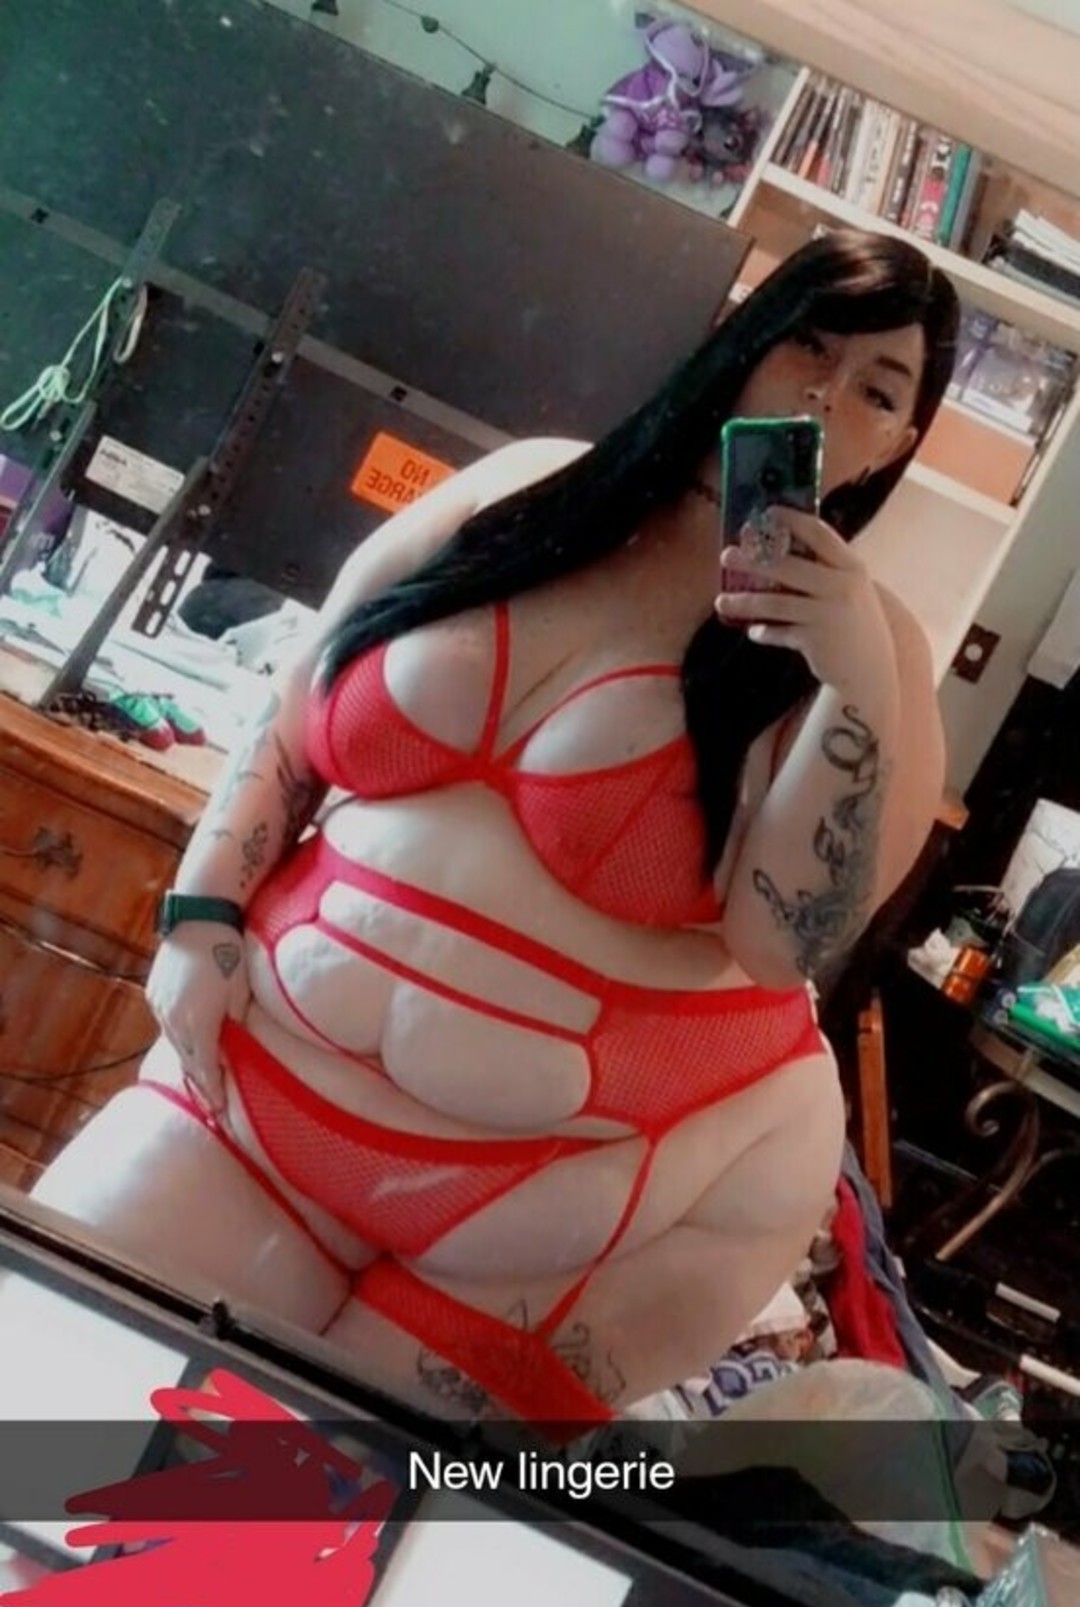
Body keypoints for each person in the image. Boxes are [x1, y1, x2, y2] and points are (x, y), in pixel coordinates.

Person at [33, 229, 958, 1434]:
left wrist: (851, 685)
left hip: (557, 1214)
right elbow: (297, 704)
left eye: (879, 389)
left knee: (250, 1530)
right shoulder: (528, 491)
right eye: (811, 347)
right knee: (42, 1389)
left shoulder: (874, 660)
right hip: (261, 1083)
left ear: (901, 442)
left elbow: (788, 945)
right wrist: (203, 907)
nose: (827, 398)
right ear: (746, 340)